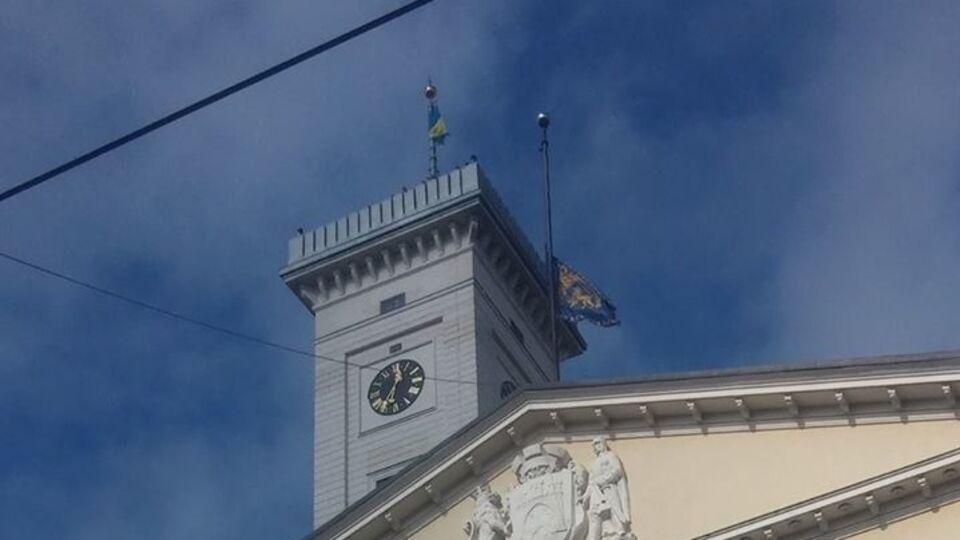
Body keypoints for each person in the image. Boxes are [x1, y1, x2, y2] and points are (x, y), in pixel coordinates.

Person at [585, 436, 632, 539]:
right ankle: (602, 533)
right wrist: (585, 497)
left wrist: (605, 480)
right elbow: (591, 482)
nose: (596, 447)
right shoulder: (594, 464)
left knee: (614, 508)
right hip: (596, 492)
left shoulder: (611, 456)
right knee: (596, 513)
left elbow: (617, 470)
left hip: (609, 487)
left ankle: (619, 529)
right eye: (595, 445)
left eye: (598, 444)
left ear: (603, 444)